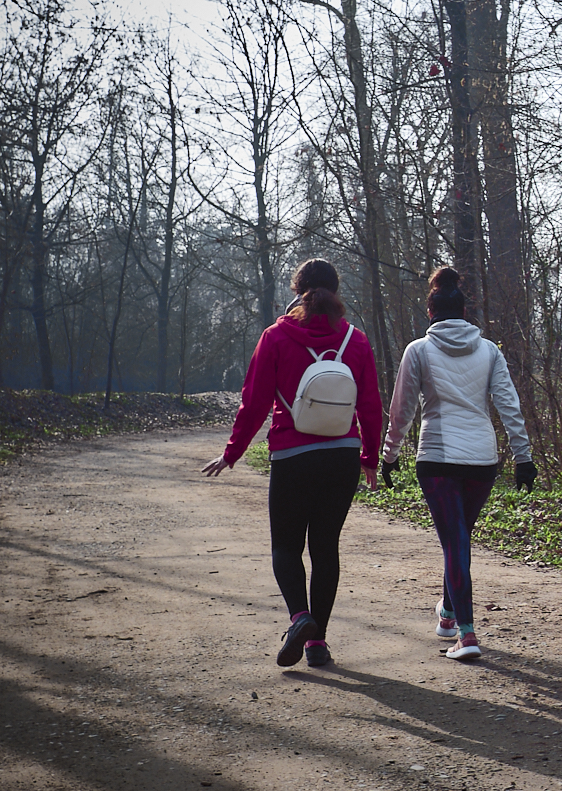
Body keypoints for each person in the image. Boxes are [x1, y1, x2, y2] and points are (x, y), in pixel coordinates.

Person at [202, 259, 382, 670]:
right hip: (341, 457)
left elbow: (255, 401)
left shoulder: (276, 336)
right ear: (336, 292)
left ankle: (299, 617)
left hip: (292, 456)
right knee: (325, 549)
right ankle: (317, 644)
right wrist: (369, 457)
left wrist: (233, 453)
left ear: (297, 291)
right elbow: (370, 405)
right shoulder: (356, 340)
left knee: (286, 546)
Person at [379, 266, 535, 662]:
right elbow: (509, 405)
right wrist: (523, 456)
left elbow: (402, 411)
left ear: (430, 314)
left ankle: (466, 634)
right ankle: (448, 615)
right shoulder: (489, 350)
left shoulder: (419, 350)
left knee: (456, 541)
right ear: (464, 313)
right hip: (482, 460)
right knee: (458, 539)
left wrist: (390, 454)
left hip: (437, 459)